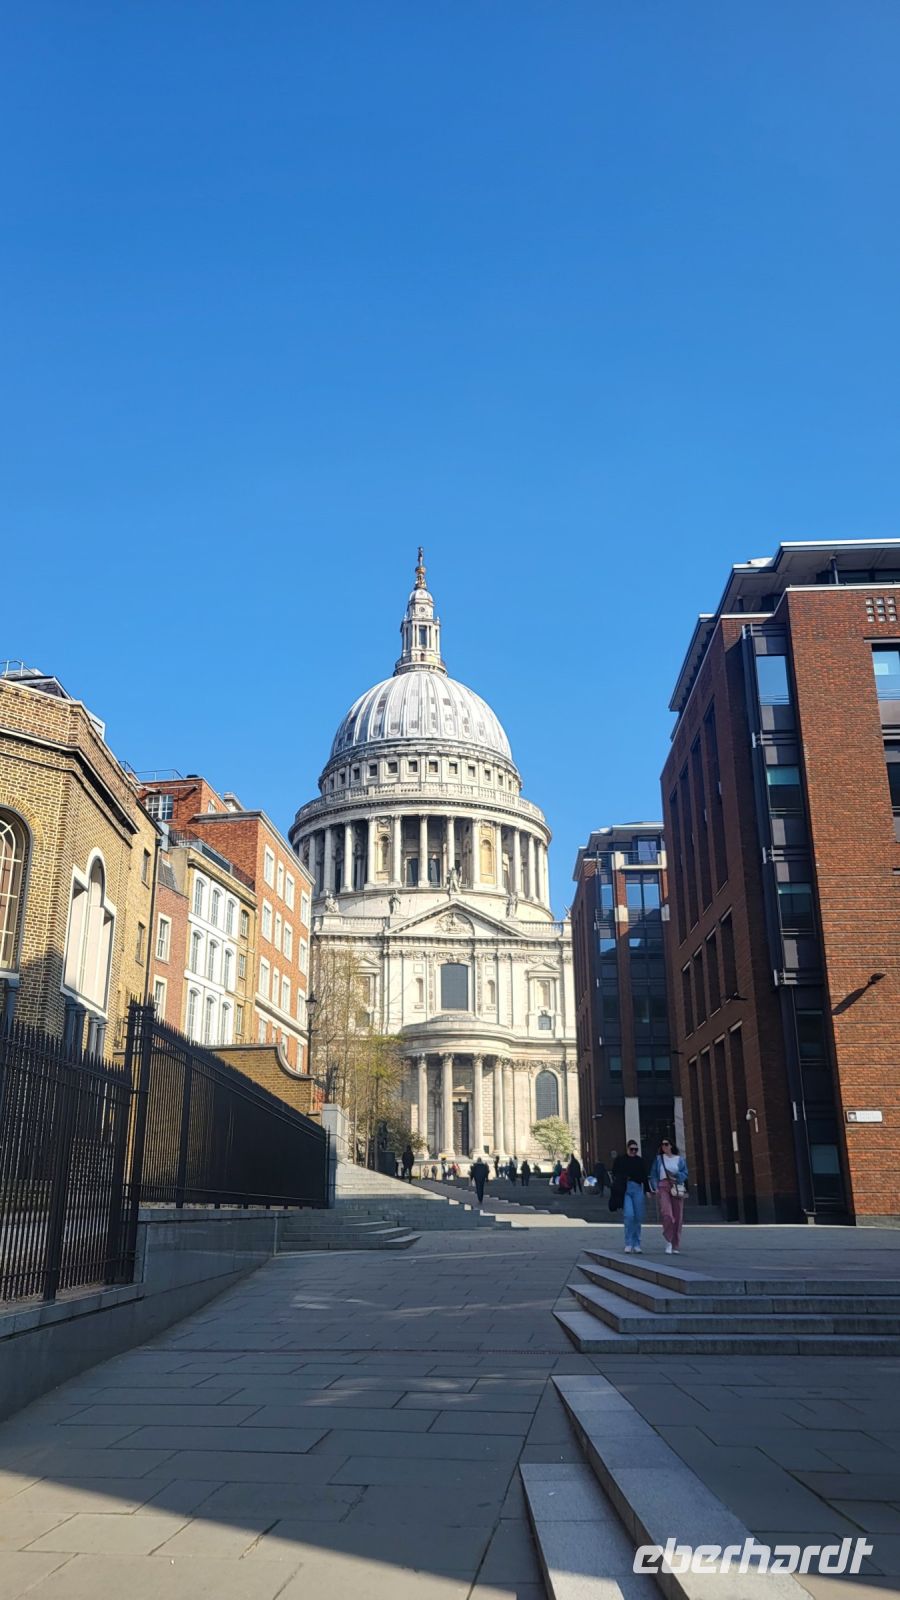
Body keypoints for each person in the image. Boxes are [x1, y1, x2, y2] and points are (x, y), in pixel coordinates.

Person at [611, 1140, 651, 1254]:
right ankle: (628, 1243)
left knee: (638, 1217)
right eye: (631, 1149)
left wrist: (647, 1190)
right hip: (625, 1189)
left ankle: (637, 1243)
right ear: (627, 1149)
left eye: (635, 1149)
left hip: (638, 1188)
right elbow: (614, 1173)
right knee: (629, 1216)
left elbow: (644, 1176)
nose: (633, 1151)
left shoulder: (640, 1161)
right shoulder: (620, 1160)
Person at [650, 1138, 689, 1254]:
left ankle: (675, 1244)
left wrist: (677, 1175)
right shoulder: (659, 1159)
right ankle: (668, 1239)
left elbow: (685, 1173)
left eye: (666, 1144)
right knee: (667, 1213)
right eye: (662, 1145)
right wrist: (655, 1187)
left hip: (676, 1186)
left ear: (671, 1146)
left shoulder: (679, 1159)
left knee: (678, 1216)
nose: (664, 1146)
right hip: (663, 1186)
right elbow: (653, 1174)